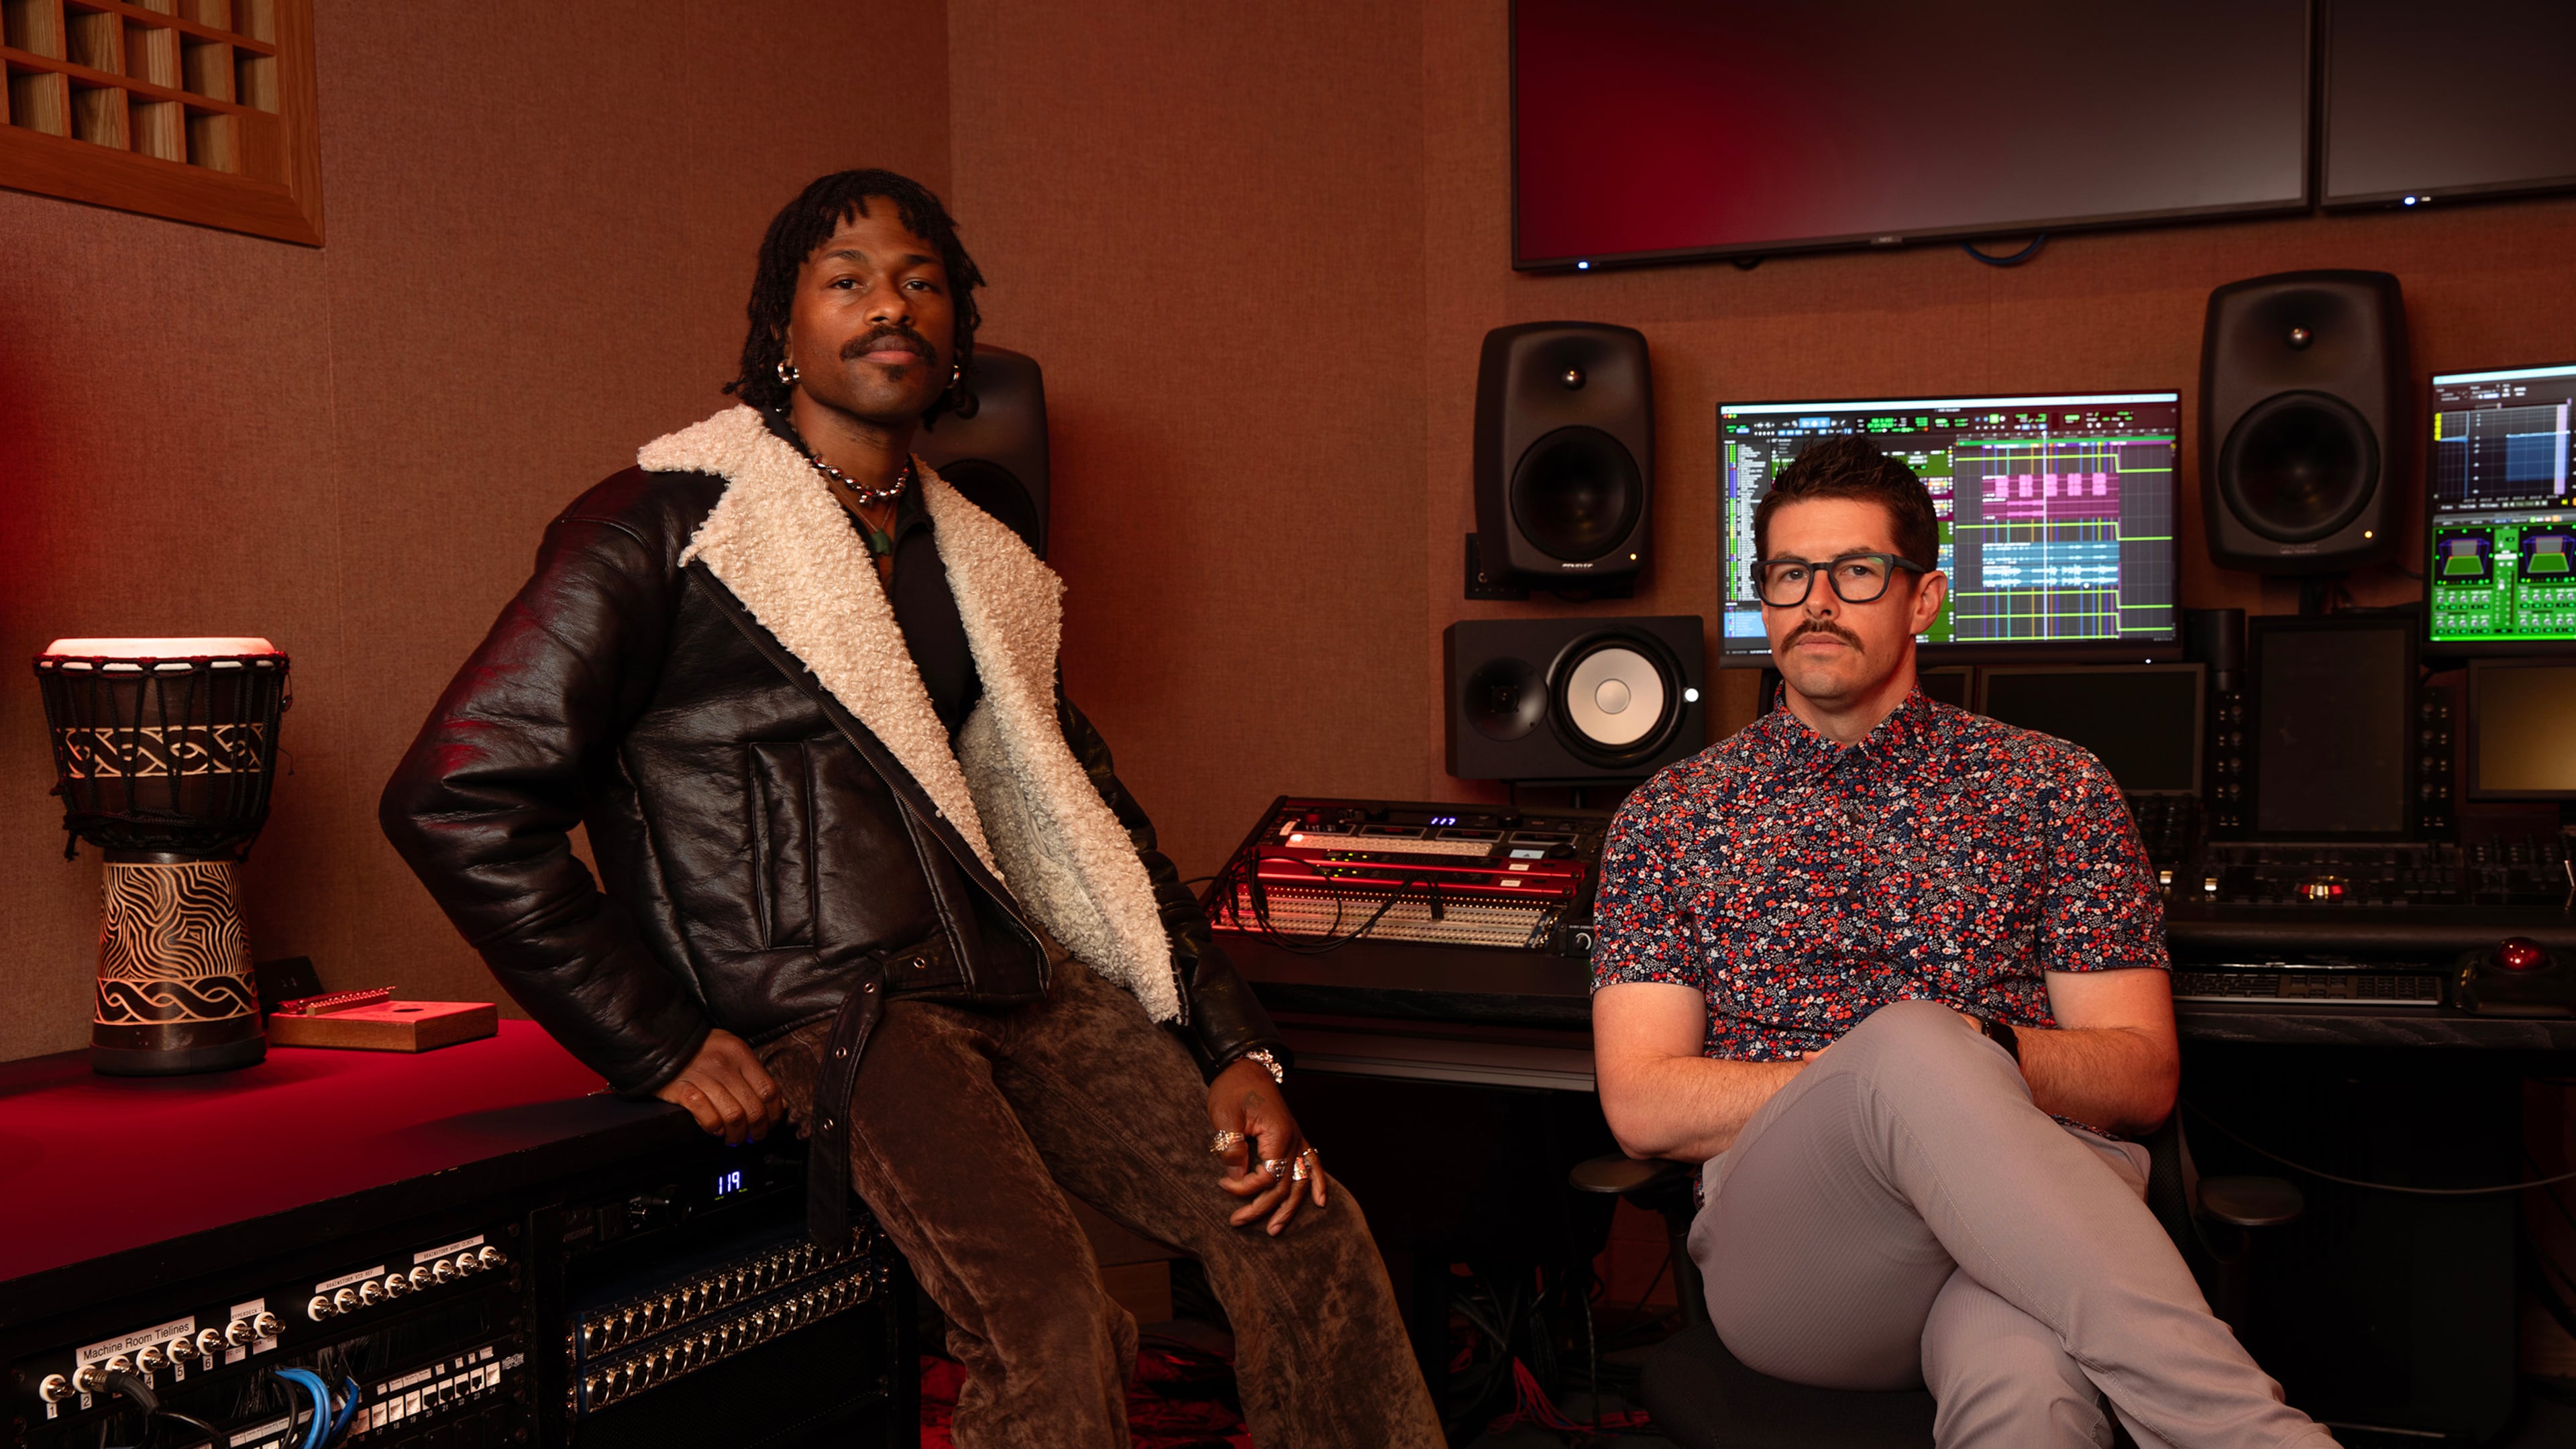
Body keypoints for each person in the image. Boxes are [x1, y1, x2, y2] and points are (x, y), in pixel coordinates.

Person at [380, 169, 1440, 1449]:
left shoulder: (978, 560)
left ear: (958, 339)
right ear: (783, 330)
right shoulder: (666, 527)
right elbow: (455, 791)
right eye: (849, 282)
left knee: (1306, 1226)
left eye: (922, 283)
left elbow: (1093, 824)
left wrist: (1235, 1049)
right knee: (1050, 1317)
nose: (892, 307)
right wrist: (651, 1038)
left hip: (1018, 977)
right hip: (839, 1010)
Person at [1589, 436, 2336, 1448]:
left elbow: (2140, 1076)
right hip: (1806, 1265)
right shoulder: (1671, 816)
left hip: (2034, 1238)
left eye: (1856, 573)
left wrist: (1963, 1067)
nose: (1816, 601)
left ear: (1924, 597)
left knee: (2031, 1392)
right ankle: (2247, 1434)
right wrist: (1898, 1080)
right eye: (1788, 575)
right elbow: (1642, 1104)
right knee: (1914, 1045)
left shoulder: (2055, 789)